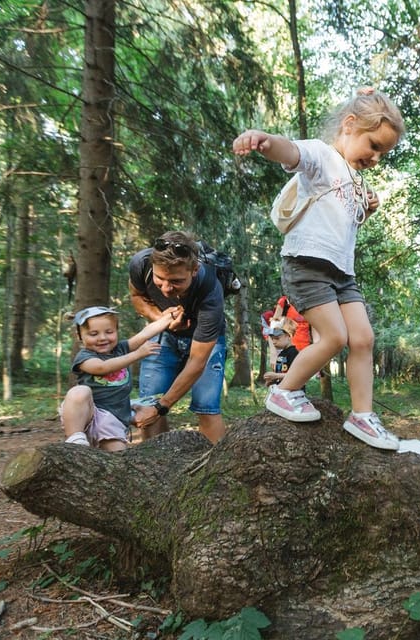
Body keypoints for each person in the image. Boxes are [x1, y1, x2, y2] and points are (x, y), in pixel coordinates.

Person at [232, 87, 405, 450]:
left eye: (383, 154)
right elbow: (292, 152)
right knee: (335, 337)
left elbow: (341, 222)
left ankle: (362, 415)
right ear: (349, 125)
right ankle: (285, 391)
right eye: (373, 146)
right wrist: (264, 141)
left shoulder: (356, 179)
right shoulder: (322, 156)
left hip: (342, 274)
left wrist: (366, 208)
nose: (376, 158)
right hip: (306, 265)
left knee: (363, 339)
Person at [127, 231, 228, 444]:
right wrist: (160, 318)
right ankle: (156, 465)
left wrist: (162, 407)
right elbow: (136, 296)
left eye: (176, 281)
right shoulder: (141, 264)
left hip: (206, 341)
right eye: (159, 279)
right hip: (162, 335)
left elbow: (197, 361)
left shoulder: (210, 290)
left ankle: (214, 469)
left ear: (194, 270)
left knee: (206, 405)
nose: (165, 288)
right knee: (148, 401)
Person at [61, 305, 180, 451]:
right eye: (93, 334)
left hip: (114, 418)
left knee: (117, 457)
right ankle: (75, 439)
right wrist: (137, 355)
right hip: (90, 414)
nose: (102, 338)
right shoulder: (85, 357)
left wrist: (170, 317)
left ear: (117, 331)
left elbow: (144, 334)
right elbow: (102, 367)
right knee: (79, 392)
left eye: (109, 332)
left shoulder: (120, 349)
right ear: (80, 336)